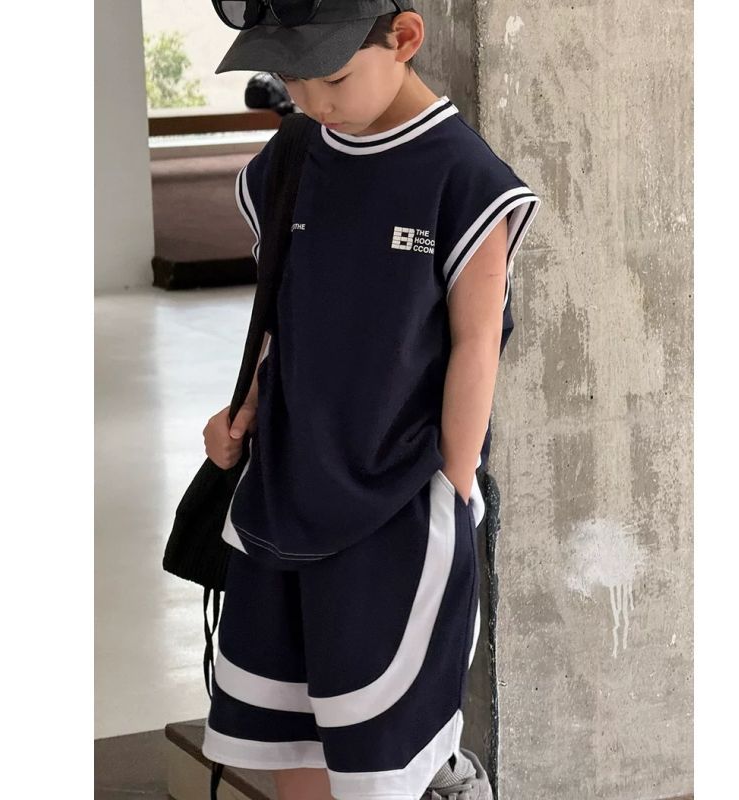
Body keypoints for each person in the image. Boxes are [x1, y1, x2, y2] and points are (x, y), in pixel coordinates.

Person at [200, 2, 541, 799]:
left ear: (404, 38)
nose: (313, 102)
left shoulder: (463, 177)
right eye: (291, 81)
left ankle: (448, 778)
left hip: (397, 503)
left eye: (333, 77)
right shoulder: (293, 155)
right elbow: (283, 312)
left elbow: (476, 347)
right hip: (284, 489)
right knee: (288, 738)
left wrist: (454, 485)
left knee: (375, 750)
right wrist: (243, 407)